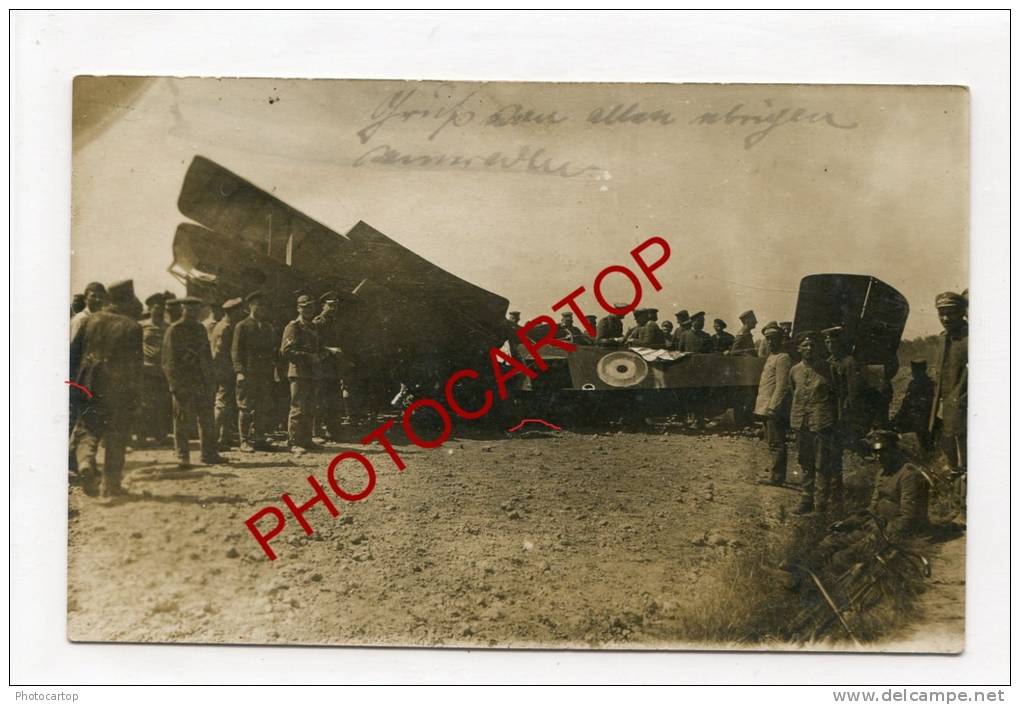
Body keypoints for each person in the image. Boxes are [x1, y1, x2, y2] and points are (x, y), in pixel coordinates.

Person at [69, 280, 143, 497]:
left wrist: (74, 385)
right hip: (117, 389)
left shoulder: (90, 320)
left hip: (88, 384)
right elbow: (135, 367)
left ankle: (85, 462)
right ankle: (111, 485)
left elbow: (74, 354)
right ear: (128, 301)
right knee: (117, 434)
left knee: (88, 429)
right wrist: (136, 395)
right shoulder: (132, 326)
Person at [162, 297, 226, 469]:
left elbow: (206, 356)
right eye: (190, 311)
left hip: (201, 381)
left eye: (197, 311)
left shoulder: (199, 329)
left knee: (207, 419)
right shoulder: (174, 330)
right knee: (182, 421)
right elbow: (169, 362)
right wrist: (175, 385)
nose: (193, 314)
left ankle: (208, 454)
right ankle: (182, 457)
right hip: (183, 383)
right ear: (183, 310)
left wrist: (210, 379)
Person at [788, 331, 839, 514]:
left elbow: (836, 395)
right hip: (801, 422)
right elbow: (794, 392)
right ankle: (806, 500)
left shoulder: (827, 369)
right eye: (805, 346)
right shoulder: (794, 370)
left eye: (812, 345)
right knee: (805, 461)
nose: (809, 349)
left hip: (821, 421)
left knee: (822, 463)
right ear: (799, 349)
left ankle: (821, 503)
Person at [232, 290, 278, 452]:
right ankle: (244, 441)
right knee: (245, 406)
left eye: (264, 306)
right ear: (251, 306)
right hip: (248, 372)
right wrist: (239, 372)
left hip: (264, 373)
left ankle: (259, 438)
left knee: (262, 406)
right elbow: (236, 351)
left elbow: (271, 351)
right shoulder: (242, 326)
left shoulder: (267, 327)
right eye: (259, 305)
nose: (262, 308)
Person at [929, 291, 968, 478]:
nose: (945, 318)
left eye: (950, 313)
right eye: (941, 313)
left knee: (964, 441)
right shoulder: (943, 338)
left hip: (963, 403)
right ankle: (954, 472)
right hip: (944, 402)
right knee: (947, 438)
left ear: (961, 312)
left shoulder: (970, 338)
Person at [867, 430, 929, 539]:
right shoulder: (881, 473)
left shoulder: (908, 475)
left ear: (894, 450)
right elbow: (874, 505)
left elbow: (909, 517)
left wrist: (880, 533)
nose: (878, 456)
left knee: (843, 555)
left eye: (883, 451)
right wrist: (854, 521)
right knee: (831, 542)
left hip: (897, 531)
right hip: (880, 525)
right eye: (875, 452)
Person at [281, 294, 323, 453]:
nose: (309, 310)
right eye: (305, 307)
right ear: (298, 308)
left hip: (312, 373)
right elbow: (286, 351)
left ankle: (306, 440)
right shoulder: (293, 326)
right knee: (298, 408)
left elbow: (317, 348)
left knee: (311, 406)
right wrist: (309, 357)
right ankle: (293, 442)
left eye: (311, 307)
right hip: (298, 372)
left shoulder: (313, 326)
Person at [823, 325, 859, 504]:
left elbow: (852, 393)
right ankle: (828, 488)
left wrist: (845, 415)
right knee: (826, 452)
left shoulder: (848, 362)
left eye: (833, 341)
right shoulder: (829, 361)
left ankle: (836, 492)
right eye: (827, 342)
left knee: (835, 452)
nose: (830, 345)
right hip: (826, 411)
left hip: (840, 413)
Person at [754, 322, 792, 486]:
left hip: (773, 408)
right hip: (766, 406)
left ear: (780, 339)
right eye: (767, 339)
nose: (770, 342)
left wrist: (773, 407)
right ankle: (775, 473)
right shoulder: (772, 356)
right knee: (771, 441)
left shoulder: (783, 358)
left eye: (773, 339)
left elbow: (782, 386)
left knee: (776, 442)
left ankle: (777, 478)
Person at [210, 297, 245, 449]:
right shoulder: (225, 328)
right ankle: (214, 438)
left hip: (226, 370)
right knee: (222, 404)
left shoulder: (224, 325)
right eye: (238, 311)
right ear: (232, 312)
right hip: (224, 371)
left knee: (228, 404)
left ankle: (224, 439)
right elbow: (218, 353)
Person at [137, 293, 171, 445]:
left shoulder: (168, 328)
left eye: (161, 307)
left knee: (162, 404)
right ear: (149, 308)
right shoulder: (141, 326)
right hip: (146, 369)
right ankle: (141, 435)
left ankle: (161, 435)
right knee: (144, 404)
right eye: (155, 307)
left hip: (163, 370)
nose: (158, 310)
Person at [312, 290, 346, 442]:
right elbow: (311, 344)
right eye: (331, 305)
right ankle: (316, 432)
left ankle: (333, 430)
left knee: (334, 399)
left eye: (336, 305)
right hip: (320, 366)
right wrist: (330, 350)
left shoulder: (336, 323)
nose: (334, 308)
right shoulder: (317, 323)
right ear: (322, 306)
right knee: (319, 399)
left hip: (333, 367)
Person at [892, 360, 936, 451]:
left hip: (921, 414)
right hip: (909, 412)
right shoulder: (912, 383)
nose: (914, 373)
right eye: (914, 370)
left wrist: (912, 403)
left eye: (917, 370)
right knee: (893, 425)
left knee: (920, 428)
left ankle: (926, 450)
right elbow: (905, 402)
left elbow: (927, 403)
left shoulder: (928, 384)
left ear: (923, 370)